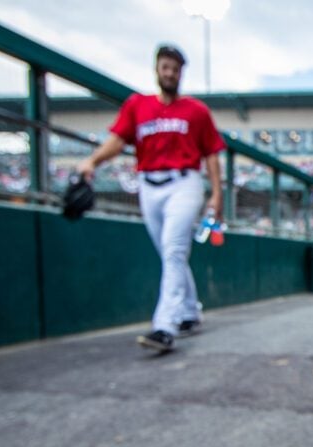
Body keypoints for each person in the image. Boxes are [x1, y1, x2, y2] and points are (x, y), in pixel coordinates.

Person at [78, 44, 225, 353]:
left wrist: (216, 194)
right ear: (157, 69)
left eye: (174, 68)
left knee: (173, 250)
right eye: (165, 67)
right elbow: (117, 141)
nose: (169, 73)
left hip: (184, 183)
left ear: (181, 73)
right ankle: (189, 312)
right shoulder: (137, 105)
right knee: (170, 254)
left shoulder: (196, 111)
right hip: (148, 186)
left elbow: (212, 154)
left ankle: (164, 326)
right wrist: (92, 161)